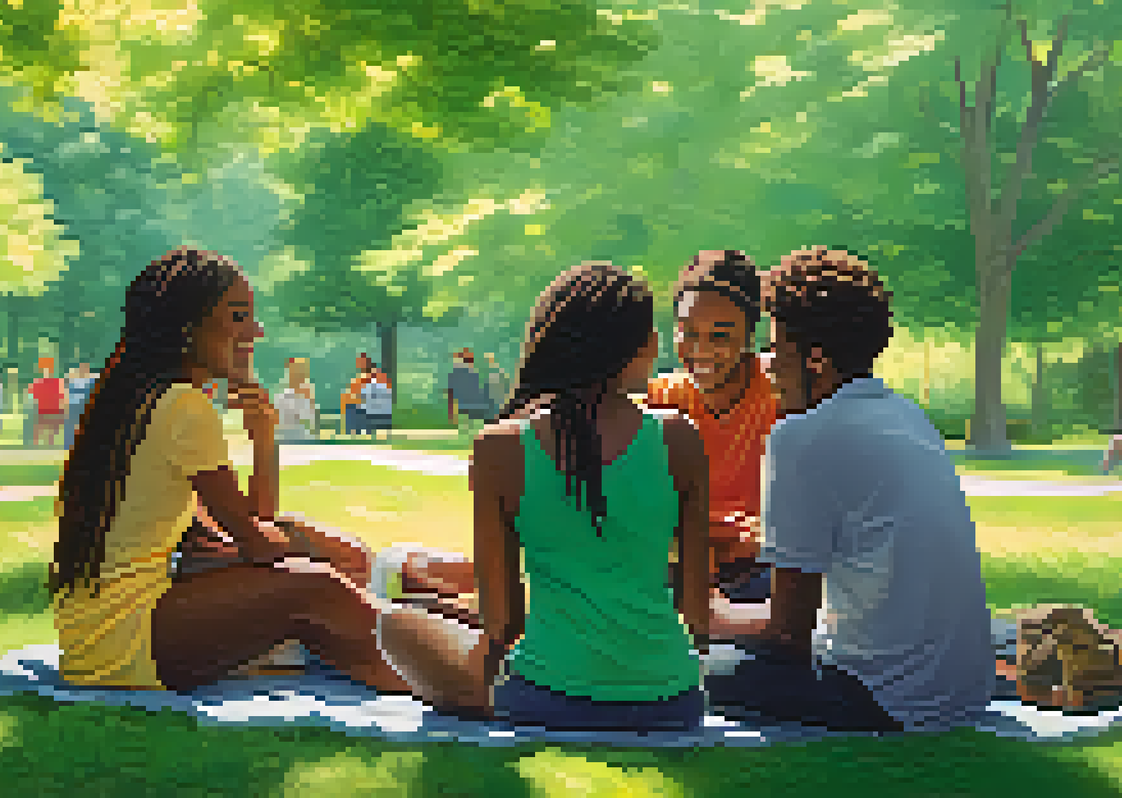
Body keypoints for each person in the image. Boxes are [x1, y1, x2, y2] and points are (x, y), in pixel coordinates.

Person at [52, 246, 434, 695]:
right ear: (187, 326)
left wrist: (263, 437)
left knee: (322, 564)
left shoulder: (143, 398)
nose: (256, 330)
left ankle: (427, 654)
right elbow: (257, 540)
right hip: (125, 640)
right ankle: (440, 681)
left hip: (94, 639)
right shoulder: (184, 406)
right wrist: (299, 549)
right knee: (318, 585)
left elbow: (252, 528)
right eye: (238, 316)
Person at [375, 261, 712, 730]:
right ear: (638, 345)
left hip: (548, 697)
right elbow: (697, 614)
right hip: (672, 700)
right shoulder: (679, 436)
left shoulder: (500, 446)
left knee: (394, 624)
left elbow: (502, 625)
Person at [704, 246, 994, 733]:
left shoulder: (801, 436)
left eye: (775, 349)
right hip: (962, 691)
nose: (766, 364)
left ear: (815, 360)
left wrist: (713, 615)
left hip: (878, 697)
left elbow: (787, 634)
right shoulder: (907, 416)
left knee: (680, 673)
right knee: (751, 589)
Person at [645, 250, 780, 618]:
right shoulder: (656, 400)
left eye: (720, 337)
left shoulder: (784, 394)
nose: (700, 351)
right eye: (688, 333)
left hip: (767, 575)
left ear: (751, 334)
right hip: (679, 575)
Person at [446, 349, 492, 441]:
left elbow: (451, 393)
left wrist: (451, 412)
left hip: (468, 409)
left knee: (467, 436)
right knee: (473, 435)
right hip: (472, 409)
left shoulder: (462, 372)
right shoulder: (472, 373)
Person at [274, 357, 319, 443]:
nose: (298, 376)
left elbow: (311, 421)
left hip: (303, 441)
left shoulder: (307, 396)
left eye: (301, 372)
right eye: (295, 371)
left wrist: (309, 399)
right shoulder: (281, 397)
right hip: (285, 441)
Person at [29, 359, 67, 447]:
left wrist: (62, 406)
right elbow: (33, 395)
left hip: (53, 408)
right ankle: (37, 443)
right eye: (45, 370)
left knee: (52, 428)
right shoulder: (39, 382)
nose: (46, 372)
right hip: (43, 408)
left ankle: (49, 442)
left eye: (48, 370)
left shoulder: (56, 382)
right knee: (40, 427)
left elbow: (61, 395)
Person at [340, 354, 380, 436]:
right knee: (347, 401)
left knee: (349, 405)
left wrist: (352, 397)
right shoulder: (366, 376)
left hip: (372, 406)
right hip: (367, 404)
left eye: (361, 362)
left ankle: (350, 431)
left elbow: (366, 394)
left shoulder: (372, 375)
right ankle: (349, 430)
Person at [65, 362, 98, 449]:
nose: (84, 369)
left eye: (85, 367)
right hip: (74, 406)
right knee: (71, 426)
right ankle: (69, 445)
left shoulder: (91, 379)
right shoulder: (74, 380)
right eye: (82, 367)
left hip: (83, 406)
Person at [360, 366, 394, 439]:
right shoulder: (387, 387)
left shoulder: (369, 386)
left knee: (351, 408)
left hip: (372, 417)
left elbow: (364, 404)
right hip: (387, 418)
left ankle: (355, 430)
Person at [478, 351, 510, 416]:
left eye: (488, 360)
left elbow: (506, 386)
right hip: (492, 399)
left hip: (498, 398)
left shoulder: (499, 372)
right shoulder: (487, 373)